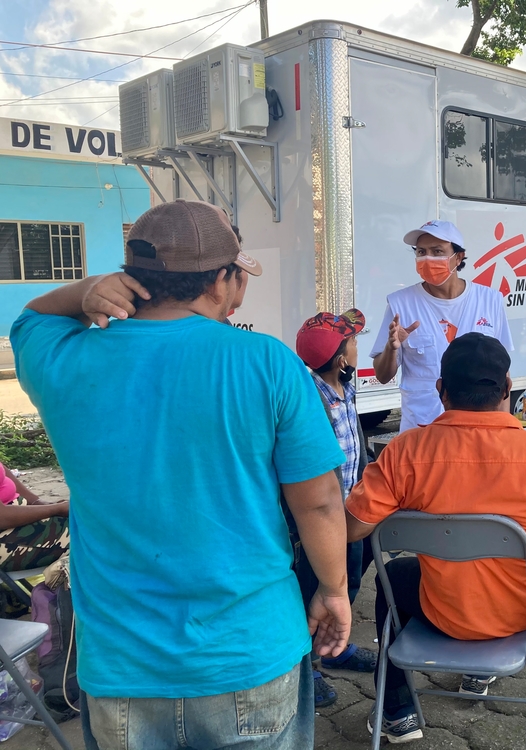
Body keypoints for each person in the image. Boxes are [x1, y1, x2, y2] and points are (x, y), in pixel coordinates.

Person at [11, 200, 352, 750]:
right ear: (221, 280)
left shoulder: (61, 357)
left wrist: (86, 292)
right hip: (249, 651)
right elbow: (318, 503)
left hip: (121, 666)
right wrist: (334, 590)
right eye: (237, 275)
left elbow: (31, 317)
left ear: (133, 277)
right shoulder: (266, 362)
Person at [346, 333, 526, 743]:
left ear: (440, 390)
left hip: (448, 612)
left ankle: (398, 712)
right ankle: (479, 672)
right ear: (507, 389)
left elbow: (353, 527)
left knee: (397, 576)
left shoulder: (406, 451)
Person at [295, 310, 379, 690]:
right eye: (354, 343)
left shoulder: (347, 387)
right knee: (313, 588)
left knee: (350, 581)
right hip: (322, 520)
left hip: (351, 511)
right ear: (342, 359)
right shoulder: (311, 398)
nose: (358, 346)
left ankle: (335, 648)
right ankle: (306, 667)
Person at [370, 220, 513, 432]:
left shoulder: (489, 300)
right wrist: (392, 349)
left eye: (437, 251)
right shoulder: (401, 304)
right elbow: (382, 377)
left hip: (477, 431)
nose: (428, 259)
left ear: (459, 256)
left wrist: (505, 431)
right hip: (421, 431)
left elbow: (504, 376)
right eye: (421, 252)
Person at [0, 463, 68, 572]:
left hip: (17, 518)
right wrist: (56, 509)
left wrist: (40, 503)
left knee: (86, 524)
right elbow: (2, 517)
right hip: (6, 532)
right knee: (91, 536)